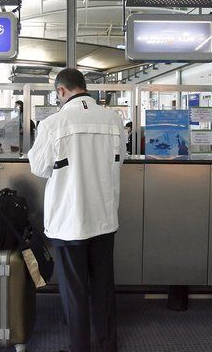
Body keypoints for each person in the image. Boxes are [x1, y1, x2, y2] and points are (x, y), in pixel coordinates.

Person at [28, 68, 125, 352]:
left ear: (61, 91)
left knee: (74, 290)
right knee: (103, 286)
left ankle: (79, 348)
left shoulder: (53, 124)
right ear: (84, 87)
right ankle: (108, 346)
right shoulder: (114, 120)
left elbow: (39, 167)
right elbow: (121, 161)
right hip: (104, 219)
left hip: (69, 221)